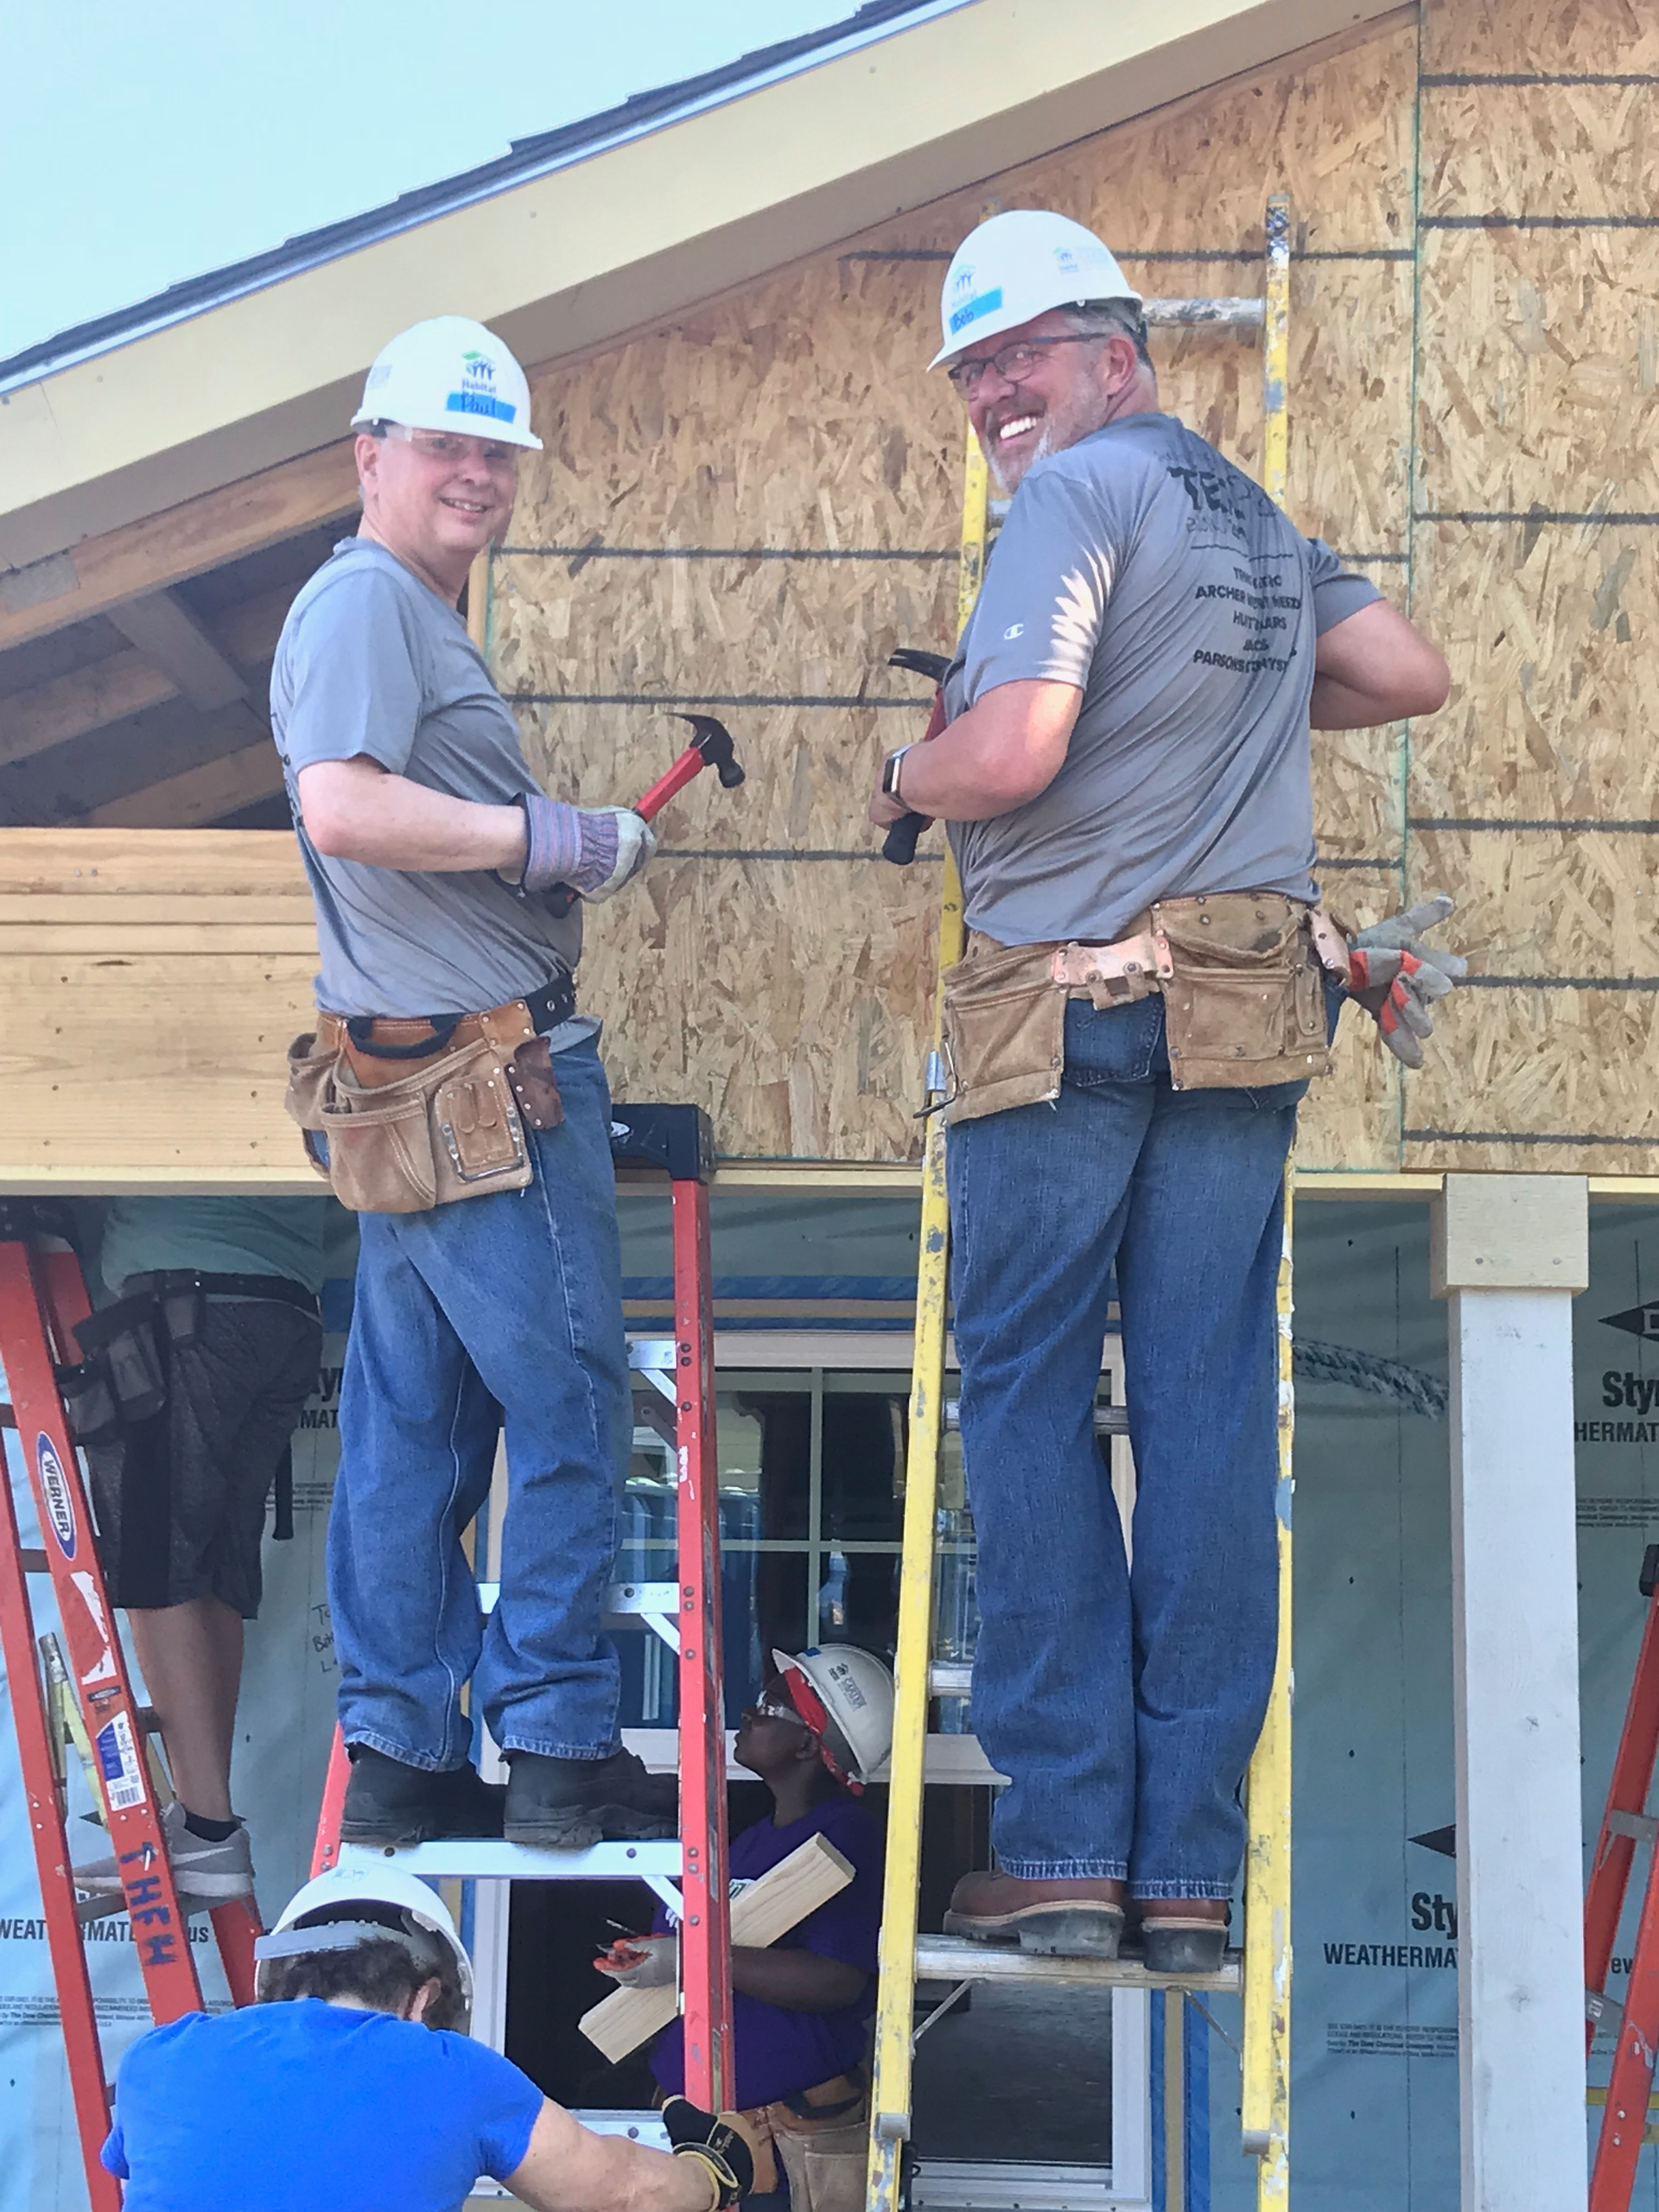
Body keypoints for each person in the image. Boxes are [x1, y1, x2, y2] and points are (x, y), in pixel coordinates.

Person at [867, 211, 1457, 1970]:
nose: (992, 392)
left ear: (1117, 347)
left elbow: (1018, 747)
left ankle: (1061, 1845)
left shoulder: (1077, 495)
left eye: (1017, 355)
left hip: (1068, 1018)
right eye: (972, 368)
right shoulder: (1248, 516)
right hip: (1244, 1010)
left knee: (1030, 1393)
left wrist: (907, 768)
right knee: (1202, 1408)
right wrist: (1225, 710)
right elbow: (1402, 671)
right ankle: (1184, 1871)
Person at [270, 315, 671, 1848]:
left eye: (496, 451)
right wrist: (543, 839)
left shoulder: (407, 610)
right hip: (484, 1080)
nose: (477, 474)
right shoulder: (368, 601)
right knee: (566, 1405)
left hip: (410, 1078)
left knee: (414, 1427)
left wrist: (547, 845)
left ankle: (401, 1749)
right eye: (445, 444)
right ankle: (559, 1743)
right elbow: (345, 803)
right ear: (369, 455)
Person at [100, 1864, 753, 2212]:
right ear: (427, 1999)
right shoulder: (448, 2070)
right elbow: (624, 2194)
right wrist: (714, 2171)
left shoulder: (159, 2057)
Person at [71, 1197, 330, 1912]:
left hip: (183, 1305)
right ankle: (203, 1819)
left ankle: (208, 1826)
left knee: (157, 1567)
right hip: (285, 1310)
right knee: (212, 1568)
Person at [597, 1646, 892, 2212]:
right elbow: (696, 1946)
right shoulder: (751, 1843)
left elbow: (838, 1981)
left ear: (809, 1744)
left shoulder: (841, 1839)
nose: (750, 1714)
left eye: (770, 1707)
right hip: (693, 2137)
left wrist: (689, 1961)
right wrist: (651, 1958)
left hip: (775, 2155)